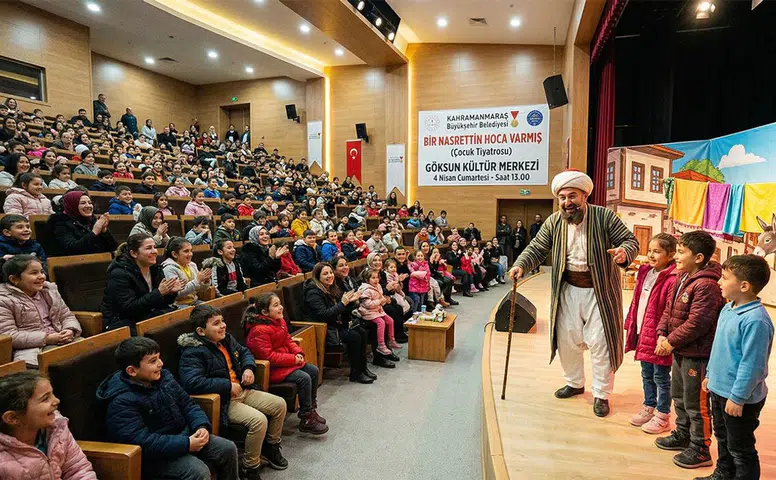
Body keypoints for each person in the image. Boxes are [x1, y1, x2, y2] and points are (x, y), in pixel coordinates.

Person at [509, 170, 639, 418]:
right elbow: (537, 247)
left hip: (599, 291)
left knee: (601, 344)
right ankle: (575, 383)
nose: (567, 202)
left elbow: (629, 240)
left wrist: (624, 252)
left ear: (585, 195)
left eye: (572, 196)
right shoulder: (554, 221)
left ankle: (601, 394)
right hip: (566, 289)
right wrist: (520, 265)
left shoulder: (604, 216)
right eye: (562, 198)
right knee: (567, 340)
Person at [97, 337, 240, 478]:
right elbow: (141, 441)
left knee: (228, 448)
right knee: (198, 471)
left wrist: (201, 426)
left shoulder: (164, 378)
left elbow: (188, 405)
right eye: (153, 361)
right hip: (155, 457)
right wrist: (186, 444)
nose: (161, 364)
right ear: (132, 371)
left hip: (184, 437)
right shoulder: (121, 401)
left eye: (159, 358)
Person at [178, 305, 289, 479]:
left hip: (243, 390)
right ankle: (250, 467)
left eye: (222, 321)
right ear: (201, 331)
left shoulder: (226, 339)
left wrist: (248, 368)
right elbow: (192, 382)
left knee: (279, 405)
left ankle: (271, 446)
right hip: (224, 401)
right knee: (258, 421)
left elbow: (245, 352)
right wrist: (227, 386)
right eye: (216, 323)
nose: (223, 326)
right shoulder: (192, 352)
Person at [654, 230, 724, 468]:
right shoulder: (681, 277)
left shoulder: (707, 285)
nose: (676, 256)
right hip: (681, 351)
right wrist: (661, 333)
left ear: (699, 257)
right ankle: (683, 434)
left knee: (696, 403)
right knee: (679, 397)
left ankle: (700, 448)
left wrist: (671, 341)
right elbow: (668, 310)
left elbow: (698, 322)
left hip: (698, 355)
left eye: (682, 252)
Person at [701, 255, 772, 480]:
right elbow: (718, 348)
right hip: (719, 390)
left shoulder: (756, 321)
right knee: (722, 437)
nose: (719, 282)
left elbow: (753, 366)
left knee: (740, 448)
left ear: (744, 286)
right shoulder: (728, 309)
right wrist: (710, 375)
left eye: (724, 278)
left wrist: (738, 397)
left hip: (739, 399)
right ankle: (723, 473)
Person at [244, 294, 328, 435]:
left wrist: (298, 352)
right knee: (304, 377)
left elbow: (288, 340)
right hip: (270, 369)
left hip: (285, 363)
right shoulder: (258, 330)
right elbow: (268, 357)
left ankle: (311, 409)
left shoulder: (279, 321)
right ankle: (306, 417)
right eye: (276, 305)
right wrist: (293, 359)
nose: (281, 307)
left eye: (280, 303)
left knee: (313, 371)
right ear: (265, 312)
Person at [624, 233, 677, 434]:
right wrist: (631, 323)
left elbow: (669, 311)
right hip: (642, 331)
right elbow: (637, 301)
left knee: (661, 376)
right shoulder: (645, 271)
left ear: (671, 254)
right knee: (646, 373)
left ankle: (662, 415)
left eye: (657, 251)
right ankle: (649, 406)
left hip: (659, 337)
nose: (651, 255)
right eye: (650, 251)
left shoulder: (672, 278)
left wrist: (664, 337)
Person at [0, 371, 97, 479]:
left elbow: (78, 470)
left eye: (52, 394)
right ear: (13, 418)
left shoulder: (57, 429)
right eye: (45, 398)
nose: (57, 400)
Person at [0, 255, 82, 367]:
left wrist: (70, 330)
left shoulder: (49, 291)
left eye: (42, 272)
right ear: (14, 279)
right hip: (31, 349)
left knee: (94, 351)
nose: (41, 277)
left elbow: (67, 316)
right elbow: (9, 336)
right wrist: (47, 339)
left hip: (61, 337)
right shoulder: (4, 300)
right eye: (34, 273)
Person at [303, 262, 373, 383]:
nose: (330, 276)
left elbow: (343, 308)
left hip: (336, 324)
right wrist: (343, 303)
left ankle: (362, 368)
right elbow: (324, 314)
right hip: (324, 329)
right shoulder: (313, 292)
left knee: (361, 331)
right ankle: (355, 373)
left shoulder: (332, 287)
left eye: (330, 272)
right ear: (317, 276)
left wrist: (353, 302)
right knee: (354, 336)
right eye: (325, 274)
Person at [100, 234, 182, 333]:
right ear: (134, 253)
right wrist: (159, 293)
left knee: (181, 320)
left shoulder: (155, 268)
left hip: (147, 315)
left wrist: (170, 292)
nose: (155, 251)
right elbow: (129, 309)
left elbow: (161, 303)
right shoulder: (119, 274)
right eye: (148, 248)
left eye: (154, 247)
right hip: (122, 322)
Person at [47, 191, 117, 256]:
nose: (88, 206)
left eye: (90, 203)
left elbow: (113, 247)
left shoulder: (93, 220)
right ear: (72, 205)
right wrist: (94, 232)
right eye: (83, 203)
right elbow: (72, 249)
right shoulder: (60, 223)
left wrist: (104, 231)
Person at [358, 268, 402, 356]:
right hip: (368, 312)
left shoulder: (378, 286)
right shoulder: (365, 290)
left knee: (390, 320)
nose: (376, 280)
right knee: (381, 323)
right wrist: (380, 301)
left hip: (377, 310)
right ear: (367, 280)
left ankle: (391, 340)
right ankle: (381, 345)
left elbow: (381, 297)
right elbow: (368, 305)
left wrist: (386, 300)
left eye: (377, 277)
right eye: (373, 278)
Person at [161, 237, 212, 307]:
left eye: (191, 250)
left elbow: (198, 289)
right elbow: (178, 294)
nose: (190, 254)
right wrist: (197, 280)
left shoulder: (192, 265)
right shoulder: (169, 269)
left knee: (213, 309)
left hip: (194, 301)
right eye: (186, 251)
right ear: (174, 254)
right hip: (177, 305)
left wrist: (205, 282)